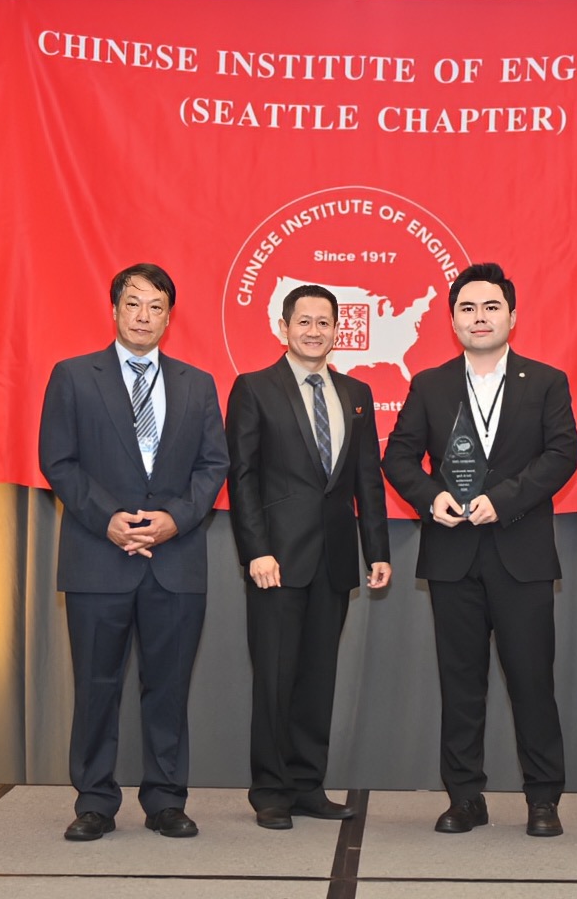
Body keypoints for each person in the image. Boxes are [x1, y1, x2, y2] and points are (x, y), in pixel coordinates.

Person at [383, 262, 577, 838]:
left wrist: (504, 499)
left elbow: (562, 454)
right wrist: (431, 497)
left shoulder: (546, 381)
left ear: (512, 316)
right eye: (468, 309)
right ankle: (465, 798)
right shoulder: (430, 384)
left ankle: (543, 799)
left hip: (521, 555)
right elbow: (398, 457)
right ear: (452, 321)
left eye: (491, 307)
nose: (480, 317)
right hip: (453, 556)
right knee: (460, 684)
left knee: (532, 683)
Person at [39, 262, 228, 842]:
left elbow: (213, 465)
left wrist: (175, 520)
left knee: (168, 688)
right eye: (133, 304)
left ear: (170, 317)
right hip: (99, 558)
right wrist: (107, 521)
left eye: (156, 307)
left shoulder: (198, 383)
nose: (144, 316)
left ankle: (166, 800)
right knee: (96, 687)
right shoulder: (73, 376)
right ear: (115, 310)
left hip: (175, 561)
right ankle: (94, 801)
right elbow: (58, 461)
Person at [226, 284, 392, 831]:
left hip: (334, 560)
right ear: (284, 327)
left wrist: (377, 550)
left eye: (324, 322)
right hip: (276, 561)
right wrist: (256, 551)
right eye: (304, 321)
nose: (314, 331)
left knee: (318, 679)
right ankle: (270, 791)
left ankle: (307, 786)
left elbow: (366, 478)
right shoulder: (254, 388)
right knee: (276, 678)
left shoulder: (356, 392)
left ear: (337, 330)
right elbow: (242, 478)